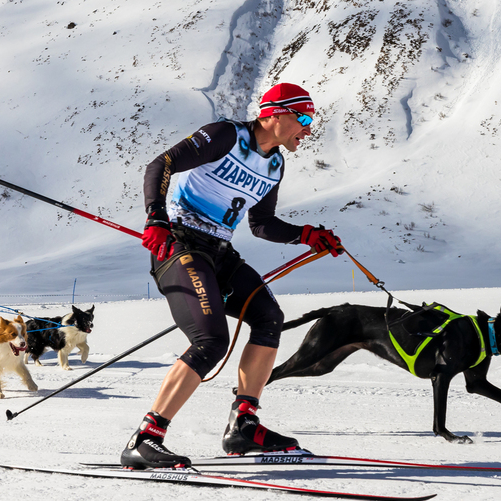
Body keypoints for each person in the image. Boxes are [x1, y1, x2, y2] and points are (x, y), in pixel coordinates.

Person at [122, 83, 344, 468]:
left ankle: (243, 425)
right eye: (304, 119)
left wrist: (305, 235)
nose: (308, 129)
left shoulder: (276, 163)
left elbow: (261, 224)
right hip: (180, 244)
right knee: (210, 341)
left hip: (220, 252)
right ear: (276, 113)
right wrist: (156, 216)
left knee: (269, 317)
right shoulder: (227, 135)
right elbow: (161, 165)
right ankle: (145, 438)